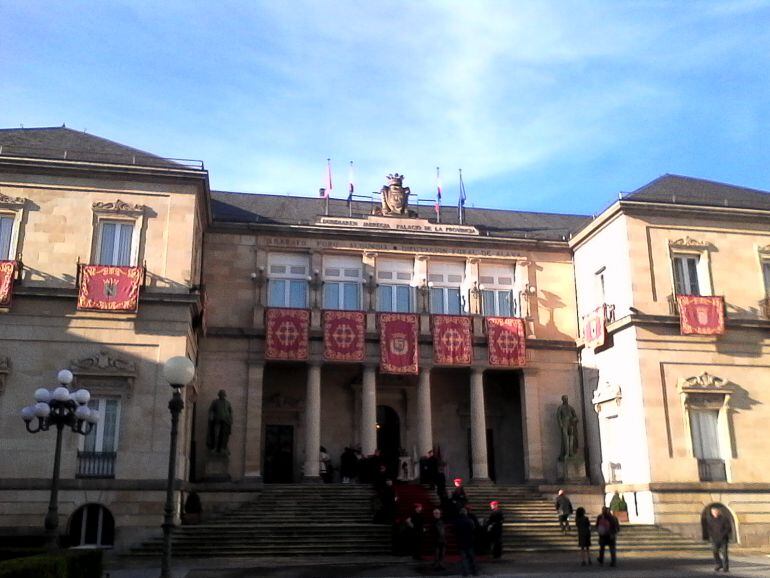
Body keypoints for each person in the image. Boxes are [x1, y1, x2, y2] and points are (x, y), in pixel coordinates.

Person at [703, 506, 731, 572]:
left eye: (715, 511)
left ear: (718, 512)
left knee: (724, 553)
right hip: (715, 539)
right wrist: (711, 535)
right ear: (711, 513)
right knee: (715, 552)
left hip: (723, 539)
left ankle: (725, 567)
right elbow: (709, 529)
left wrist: (723, 535)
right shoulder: (710, 520)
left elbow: (728, 528)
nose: (714, 513)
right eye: (713, 512)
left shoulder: (724, 519)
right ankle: (719, 564)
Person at [206, 389, 233, 453]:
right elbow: (211, 410)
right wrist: (211, 417)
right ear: (219, 395)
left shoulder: (228, 403)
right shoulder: (215, 402)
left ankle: (222, 448)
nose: (222, 396)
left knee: (224, 435)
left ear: (225, 395)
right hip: (217, 421)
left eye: (223, 395)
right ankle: (214, 447)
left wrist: (230, 419)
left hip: (225, 422)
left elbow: (231, 412)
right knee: (216, 434)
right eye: (221, 394)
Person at [455, 507, 478, 577]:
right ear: (466, 513)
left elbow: (455, 531)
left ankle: (465, 573)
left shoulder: (457, 521)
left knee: (463, 559)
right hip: (469, 542)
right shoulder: (470, 521)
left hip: (461, 542)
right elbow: (474, 530)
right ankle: (474, 572)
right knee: (471, 558)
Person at [556, 395, 579, 459]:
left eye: (566, 399)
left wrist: (574, 419)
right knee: (565, 439)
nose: (566, 400)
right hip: (564, 424)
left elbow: (576, 417)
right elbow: (558, 417)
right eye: (564, 399)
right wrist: (561, 425)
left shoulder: (571, 408)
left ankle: (571, 452)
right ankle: (566, 453)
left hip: (570, 424)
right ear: (562, 400)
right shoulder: (560, 408)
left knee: (571, 438)